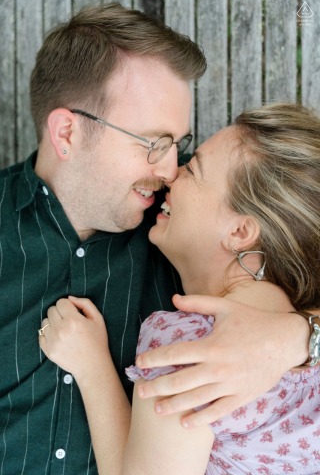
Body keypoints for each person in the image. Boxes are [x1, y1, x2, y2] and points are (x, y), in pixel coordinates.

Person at [0, 0, 314, 474]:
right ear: (68, 132)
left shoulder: (187, 236)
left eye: (179, 146)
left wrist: (298, 337)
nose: (170, 170)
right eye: (153, 143)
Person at [40, 103, 320, 475]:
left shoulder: (190, 343)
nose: (172, 174)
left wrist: (92, 368)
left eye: (195, 168)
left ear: (240, 233)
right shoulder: (304, 316)